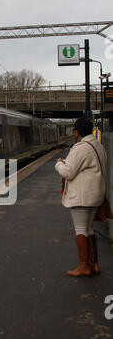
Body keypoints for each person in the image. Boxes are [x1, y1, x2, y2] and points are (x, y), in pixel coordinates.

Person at [55, 117, 107, 277]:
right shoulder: (98, 146)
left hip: (82, 196)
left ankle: (84, 266)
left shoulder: (81, 148)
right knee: (89, 228)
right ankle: (94, 264)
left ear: (76, 132)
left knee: (80, 229)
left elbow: (68, 172)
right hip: (95, 194)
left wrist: (58, 163)